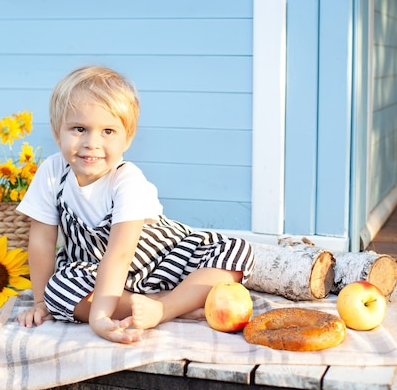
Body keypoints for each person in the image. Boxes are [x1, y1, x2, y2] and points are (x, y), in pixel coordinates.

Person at [16, 65, 254, 344]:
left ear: (127, 137)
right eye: (79, 129)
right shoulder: (52, 172)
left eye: (108, 131)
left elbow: (119, 254)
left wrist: (99, 317)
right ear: (58, 134)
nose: (91, 143)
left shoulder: (126, 180)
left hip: (161, 261)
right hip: (96, 271)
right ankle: (170, 302)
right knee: (60, 290)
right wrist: (42, 301)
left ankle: (165, 308)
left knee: (234, 251)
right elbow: (42, 242)